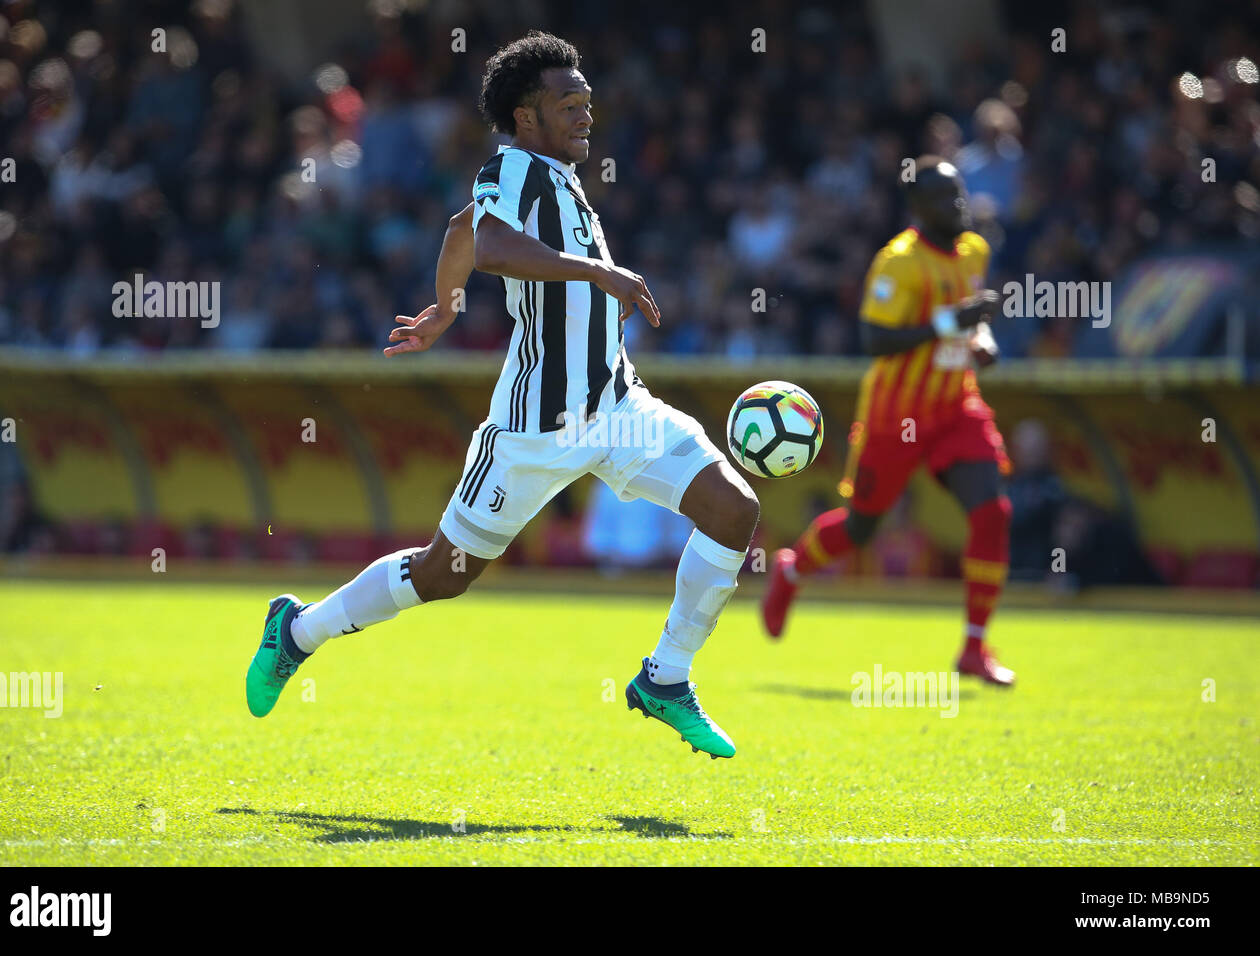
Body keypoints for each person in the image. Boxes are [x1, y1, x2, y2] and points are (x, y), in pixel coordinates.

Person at [245, 32, 760, 758]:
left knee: (734, 509)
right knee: (441, 574)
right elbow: (486, 240)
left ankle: (665, 678)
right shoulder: (515, 164)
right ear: (526, 116)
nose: (585, 116)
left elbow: (461, 229)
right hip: (533, 428)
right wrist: (596, 272)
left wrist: (447, 305)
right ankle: (297, 630)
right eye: (567, 105)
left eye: (588, 103)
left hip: (618, 408)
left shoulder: (555, 176)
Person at [761, 156, 1017, 686]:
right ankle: (790, 571)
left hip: (955, 406)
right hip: (895, 414)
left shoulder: (975, 251)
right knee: (861, 527)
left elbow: (974, 322)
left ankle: (974, 646)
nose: (960, 205)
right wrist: (954, 322)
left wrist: (982, 340)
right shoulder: (897, 263)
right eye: (946, 198)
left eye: (960, 193)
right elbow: (874, 340)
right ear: (919, 209)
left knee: (992, 511)